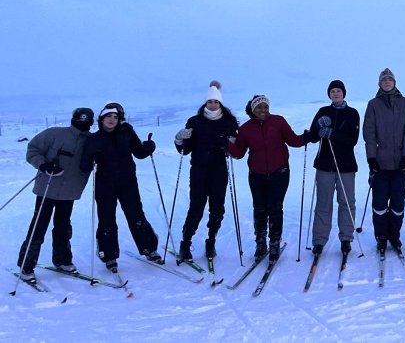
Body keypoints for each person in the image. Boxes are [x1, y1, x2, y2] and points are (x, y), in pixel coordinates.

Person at [80, 103, 162, 272]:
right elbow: (85, 166)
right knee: (107, 219)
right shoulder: (94, 139)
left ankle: (149, 249)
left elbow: (139, 152)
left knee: (136, 215)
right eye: (108, 116)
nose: (112, 120)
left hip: (128, 182)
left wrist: (149, 147)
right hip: (105, 184)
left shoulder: (127, 133)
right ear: (102, 119)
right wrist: (89, 155)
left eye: (115, 117)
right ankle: (109, 256)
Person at [227, 95, 309, 262]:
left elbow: (293, 140)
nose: (263, 110)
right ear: (252, 109)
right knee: (259, 209)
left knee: (275, 208)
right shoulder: (246, 129)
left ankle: (274, 243)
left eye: (265, 107)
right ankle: (260, 242)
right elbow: (239, 153)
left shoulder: (278, 122)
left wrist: (308, 136)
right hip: (257, 175)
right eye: (259, 107)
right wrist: (226, 144)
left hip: (280, 172)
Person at [17, 108, 95, 282]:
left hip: (70, 191)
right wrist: (43, 165)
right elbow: (33, 150)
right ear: (73, 119)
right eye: (79, 120)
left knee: (63, 226)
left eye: (86, 121)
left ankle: (62, 260)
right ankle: (26, 265)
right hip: (47, 188)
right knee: (39, 226)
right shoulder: (54, 133)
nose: (82, 124)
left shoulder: (91, 140)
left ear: (91, 122)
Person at [174, 81, 239, 261]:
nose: (213, 105)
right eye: (210, 102)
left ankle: (211, 241)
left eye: (216, 102)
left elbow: (236, 149)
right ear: (205, 103)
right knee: (196, 207)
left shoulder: (228, 122)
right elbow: (184, 150)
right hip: (199, 170)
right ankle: (185, 243)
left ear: (220, 104)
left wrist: (231, 143)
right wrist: (179, 139)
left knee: (217, 208)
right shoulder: (195, 122)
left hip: (219, 171)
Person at [362, 68, 405, 252]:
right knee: (379, 203)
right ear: (379, 83)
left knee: (398, 203)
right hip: (380, 163)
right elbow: (369, 134)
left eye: (390, 80)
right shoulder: (373, 105)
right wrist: (371, 158)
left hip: (400, 163)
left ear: (394, 82)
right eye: (384, 80)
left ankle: (394, 235)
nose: (387, 82)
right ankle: (381, 236)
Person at [306, 80, 360, 256]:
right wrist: (318, 126)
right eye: (333, 91)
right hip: (324, 165)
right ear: (329, 94)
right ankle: (319, 240)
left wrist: (333, 134)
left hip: (346, 166)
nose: (336, 94)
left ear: (344, 93)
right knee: (323, 203)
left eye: (338, 91)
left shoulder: (352, 113)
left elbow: (352, 140)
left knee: (346, 202)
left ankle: (346, 238)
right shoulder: (323, 111)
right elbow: (313, 137)